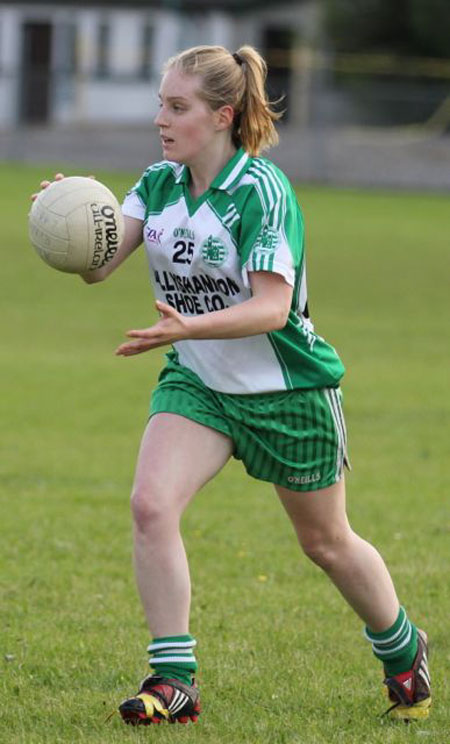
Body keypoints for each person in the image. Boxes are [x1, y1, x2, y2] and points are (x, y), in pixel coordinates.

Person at [36, 45, 431, 726]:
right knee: (151, 506)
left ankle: (403, 650)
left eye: (177, 106)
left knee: (326, 543)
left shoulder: (261, 191)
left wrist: (187, 326)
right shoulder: (159, 184)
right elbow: (98, 267)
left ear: (222, 115)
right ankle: (174, 679)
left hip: (288, 391)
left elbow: (272, 309)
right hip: (200, 386)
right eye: (161, 102)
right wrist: (69, 218)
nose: (161, 118)